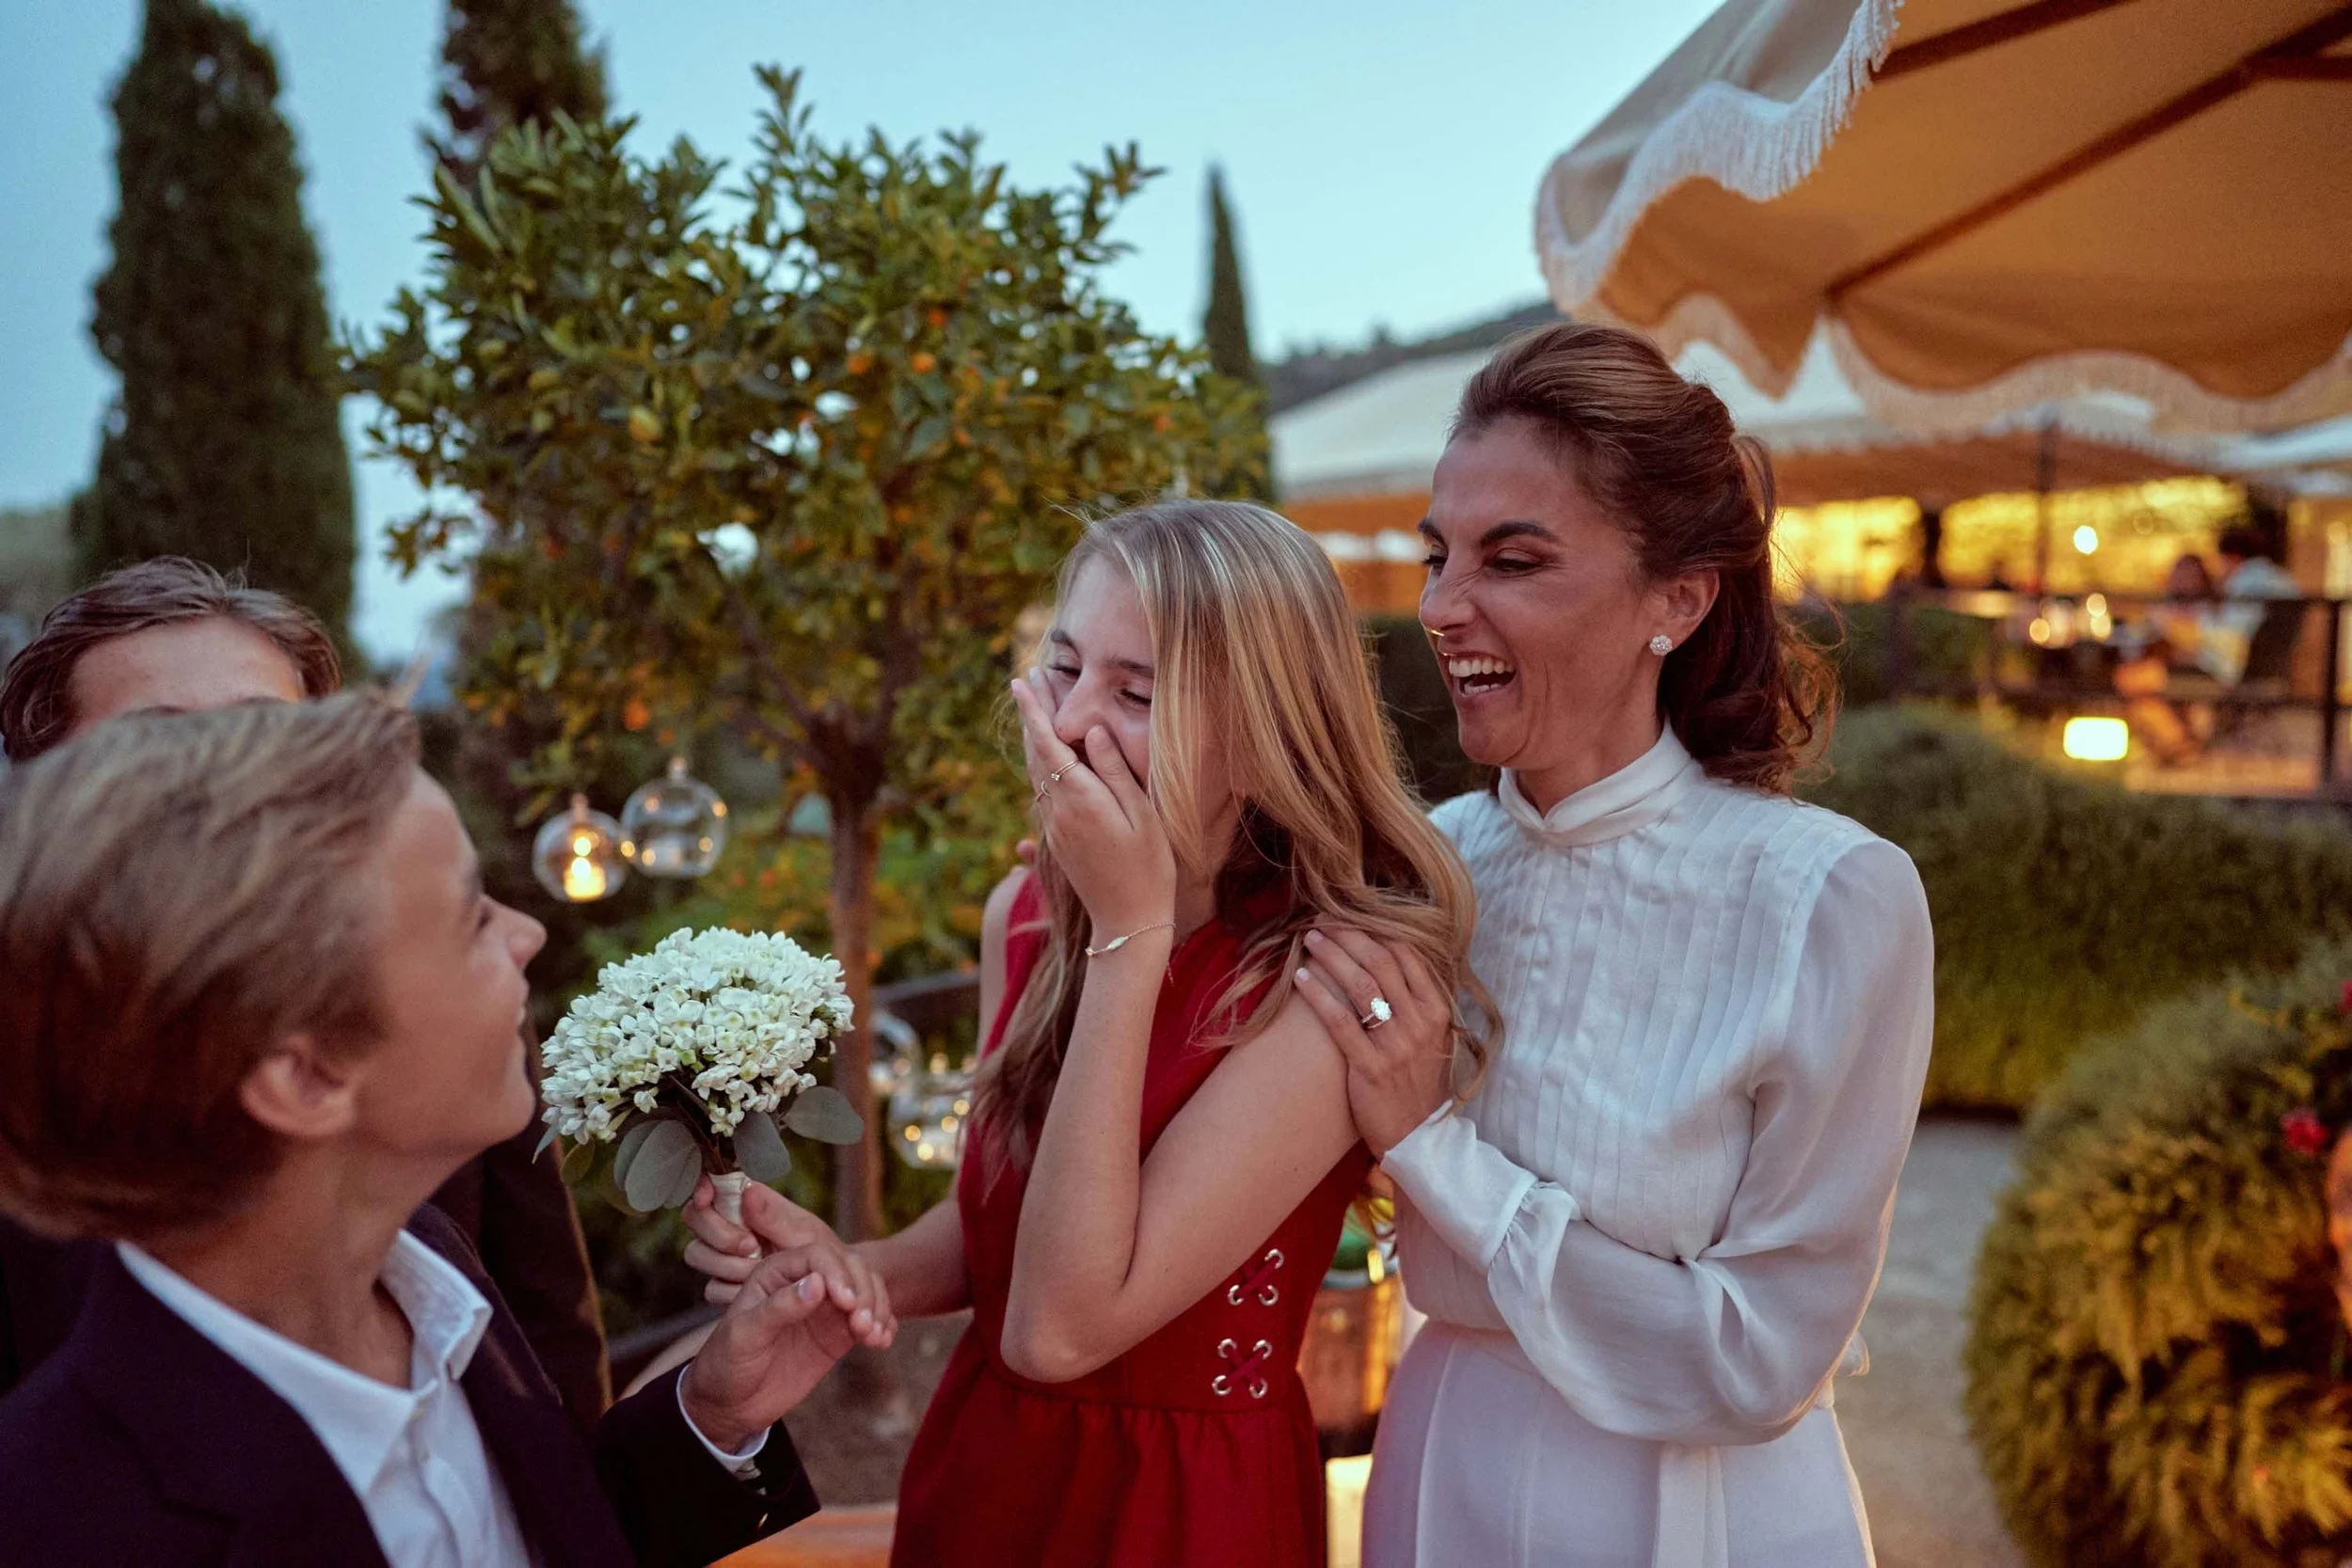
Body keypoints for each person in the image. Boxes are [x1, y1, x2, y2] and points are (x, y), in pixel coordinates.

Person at [684, 500, 1486, 1568]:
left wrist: (1129, 932)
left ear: (1261, 732)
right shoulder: (1026, 909)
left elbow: (1060, 1325)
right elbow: (1006, 1216)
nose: (1065, 725)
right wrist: (852, 1266)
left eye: (1136, 691)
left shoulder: (1319, 985)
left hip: (1179, 1512)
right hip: (985, 1467)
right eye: (1062, 669)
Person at [1293, 323, 1935, 1568]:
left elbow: (1760, 1354)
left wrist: (1434, 1145)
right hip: (1440, 1473)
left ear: (1676, 599)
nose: (1438, 606)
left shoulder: (1827, 899)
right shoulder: (1418, 868)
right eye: (1440, 555)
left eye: (1511, 559)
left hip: (1701, 1508)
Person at [0, 695, 887, 1567]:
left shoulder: (430, 1266)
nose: (530, 932)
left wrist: (709, 1417)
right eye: (471, 916)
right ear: (306, 1074)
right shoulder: (62, 1524)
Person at [0, 558, 610, 1424]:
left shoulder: (456, 1000)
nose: (230, 781)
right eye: (164, 742)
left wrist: (712, 1417)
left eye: (267, 735)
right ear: (54, 787)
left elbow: (550, 1366)